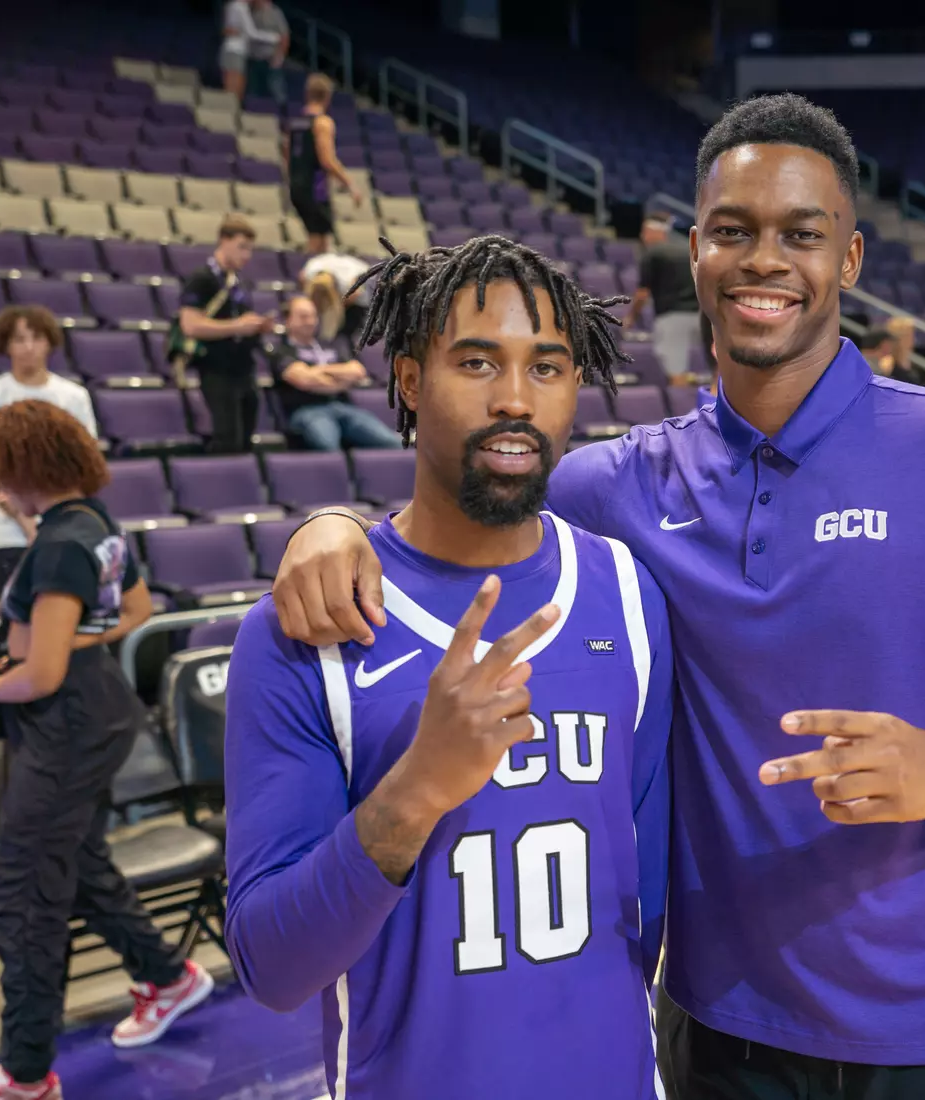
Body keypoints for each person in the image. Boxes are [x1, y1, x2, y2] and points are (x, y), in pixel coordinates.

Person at [271, 92, 925, 1098]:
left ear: (849, 260)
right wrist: (327, 527)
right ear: (698, 251)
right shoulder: (616, 487)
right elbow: (460, 504)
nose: (765, 259)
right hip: (725, 1026)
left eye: (800, 234)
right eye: (735, 231)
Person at [225, 235, 673, 1097]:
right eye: (476, 362)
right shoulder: (307, 629)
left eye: (546, 367)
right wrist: (419, 788)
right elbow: (272, 968)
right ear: (406, 379)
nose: (514, 399)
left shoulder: (628, 593)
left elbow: (644, 904)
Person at [0, 402, 214, 1100]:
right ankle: (168, 975)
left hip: (62, 723)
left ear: (20, 469)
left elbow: (35, 674)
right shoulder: (93, 525)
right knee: (75, 864)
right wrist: (65, 643)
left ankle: (25, 1074)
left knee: (25, 897)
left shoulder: (58, 546)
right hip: (94, 712)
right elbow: (135, 614)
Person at [0, 305, 97, 596]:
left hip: (65, 528)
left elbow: (83, 464)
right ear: (6, 345)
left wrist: (51, 526)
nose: (28, 347)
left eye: (36, 338)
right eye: (18, 339)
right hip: (9, 530)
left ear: (49, 342)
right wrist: (27, 524)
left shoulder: (74, 396)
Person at [178, 215, 275, 454]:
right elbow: (190, 326)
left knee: (245, 440)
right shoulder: (202, 278)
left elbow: (239, 321)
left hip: (243, 368)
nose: (246, 255)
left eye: (250, 249)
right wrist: (237, 326)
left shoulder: (237, 281)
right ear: (224, 240)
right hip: (217, 369)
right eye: (242, 247)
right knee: (227, 439)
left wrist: (256, 326)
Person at [271, 295, 401, 450]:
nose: (310, 321)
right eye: (303, 317)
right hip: (307, 411)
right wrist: (339, 379)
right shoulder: (281, 350)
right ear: (288, 320)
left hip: (343, 407)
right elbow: (303, 380)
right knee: (329, 448)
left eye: (313, 316)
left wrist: (316, 371)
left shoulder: (332, 344)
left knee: (393, 443)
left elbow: (357, 372)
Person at [286, 74, 362, 255]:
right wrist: (350, 184)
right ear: (327, 96)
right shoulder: (323, 123)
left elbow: (287, 156)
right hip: (315, 188)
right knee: (320, 242)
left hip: (297, 187)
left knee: (314, 238)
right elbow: (327, 160)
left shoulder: (295, 123)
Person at [627, 212, 699, 380]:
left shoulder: (653, 253)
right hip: (700, 317)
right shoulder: (689, 249)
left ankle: (681, 406)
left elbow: (642, 294)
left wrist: (631, 317)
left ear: (652, 231)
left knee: (676, 373)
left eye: (644, 231)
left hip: (672, 319)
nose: (642, 236)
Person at [242, 0, 289, 103]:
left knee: (277, 91)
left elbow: (284, 36)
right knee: (253, 93)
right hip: (254, 59)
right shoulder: (249, 12)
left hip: (271, 59)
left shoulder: (276, 13)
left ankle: (282, 114)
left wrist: (280, 57)